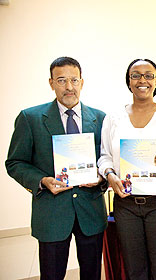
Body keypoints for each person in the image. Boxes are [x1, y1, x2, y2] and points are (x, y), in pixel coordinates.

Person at [5, 57, 107, 280]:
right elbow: (14, 162)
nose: (69, 87)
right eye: (61, 80)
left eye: (74, 80)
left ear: (82, 82)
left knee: (92, 274)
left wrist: (101, 179)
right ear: (51, 83)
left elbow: (107, 161)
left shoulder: (101, 119)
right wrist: (42, 181)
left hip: (90, 211)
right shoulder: (30, 118)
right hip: (52, 213)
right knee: (52, 275)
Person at [97, 58, 156, 280]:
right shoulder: (114, 118)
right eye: (135, 75)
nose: (142, 80)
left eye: (149, 75)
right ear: (129, 82)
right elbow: (105, 157)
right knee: (134, 269)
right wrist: (110, 176)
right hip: (126, 204)